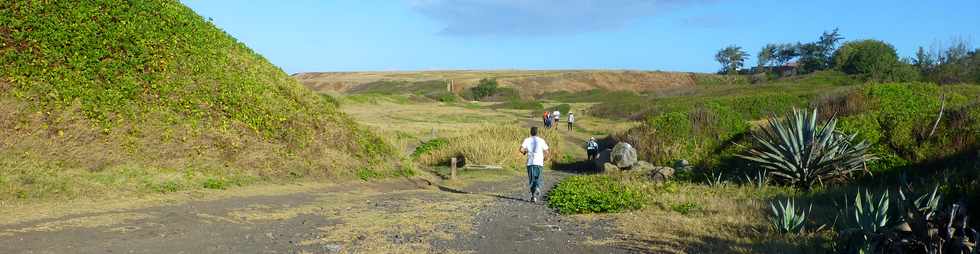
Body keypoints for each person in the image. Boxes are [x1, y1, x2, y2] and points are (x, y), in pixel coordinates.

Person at [520, 127, 549, 202]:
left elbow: (521, 149)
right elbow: (546, 151)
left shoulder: (527, 140)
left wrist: (525, 152)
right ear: (537, 132)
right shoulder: (541, 140)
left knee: (531, 180)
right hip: (539, 162)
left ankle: (533, 197)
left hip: (530, 162)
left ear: (530, 132)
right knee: (538, 177)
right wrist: (545, 158)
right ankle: (537, 188)